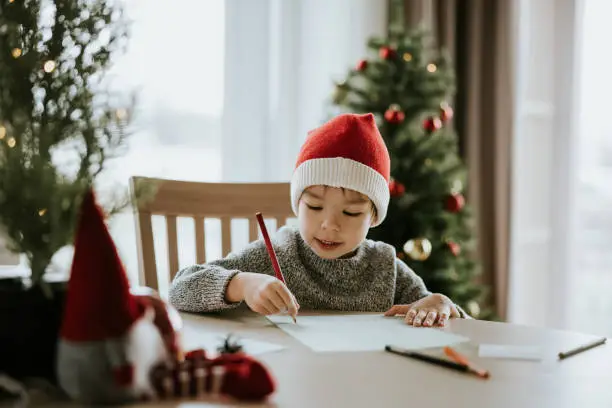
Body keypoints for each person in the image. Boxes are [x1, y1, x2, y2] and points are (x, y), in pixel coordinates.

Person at [168, 113, 467, 327]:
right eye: (314, 207)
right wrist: (242, 284)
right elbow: (180, 288)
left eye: (350, 213)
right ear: (297, 204)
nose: (329, 225)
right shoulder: (276, 255)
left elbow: (454, 321)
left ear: (374, 215)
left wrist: (441, 304)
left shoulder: (384, 267)